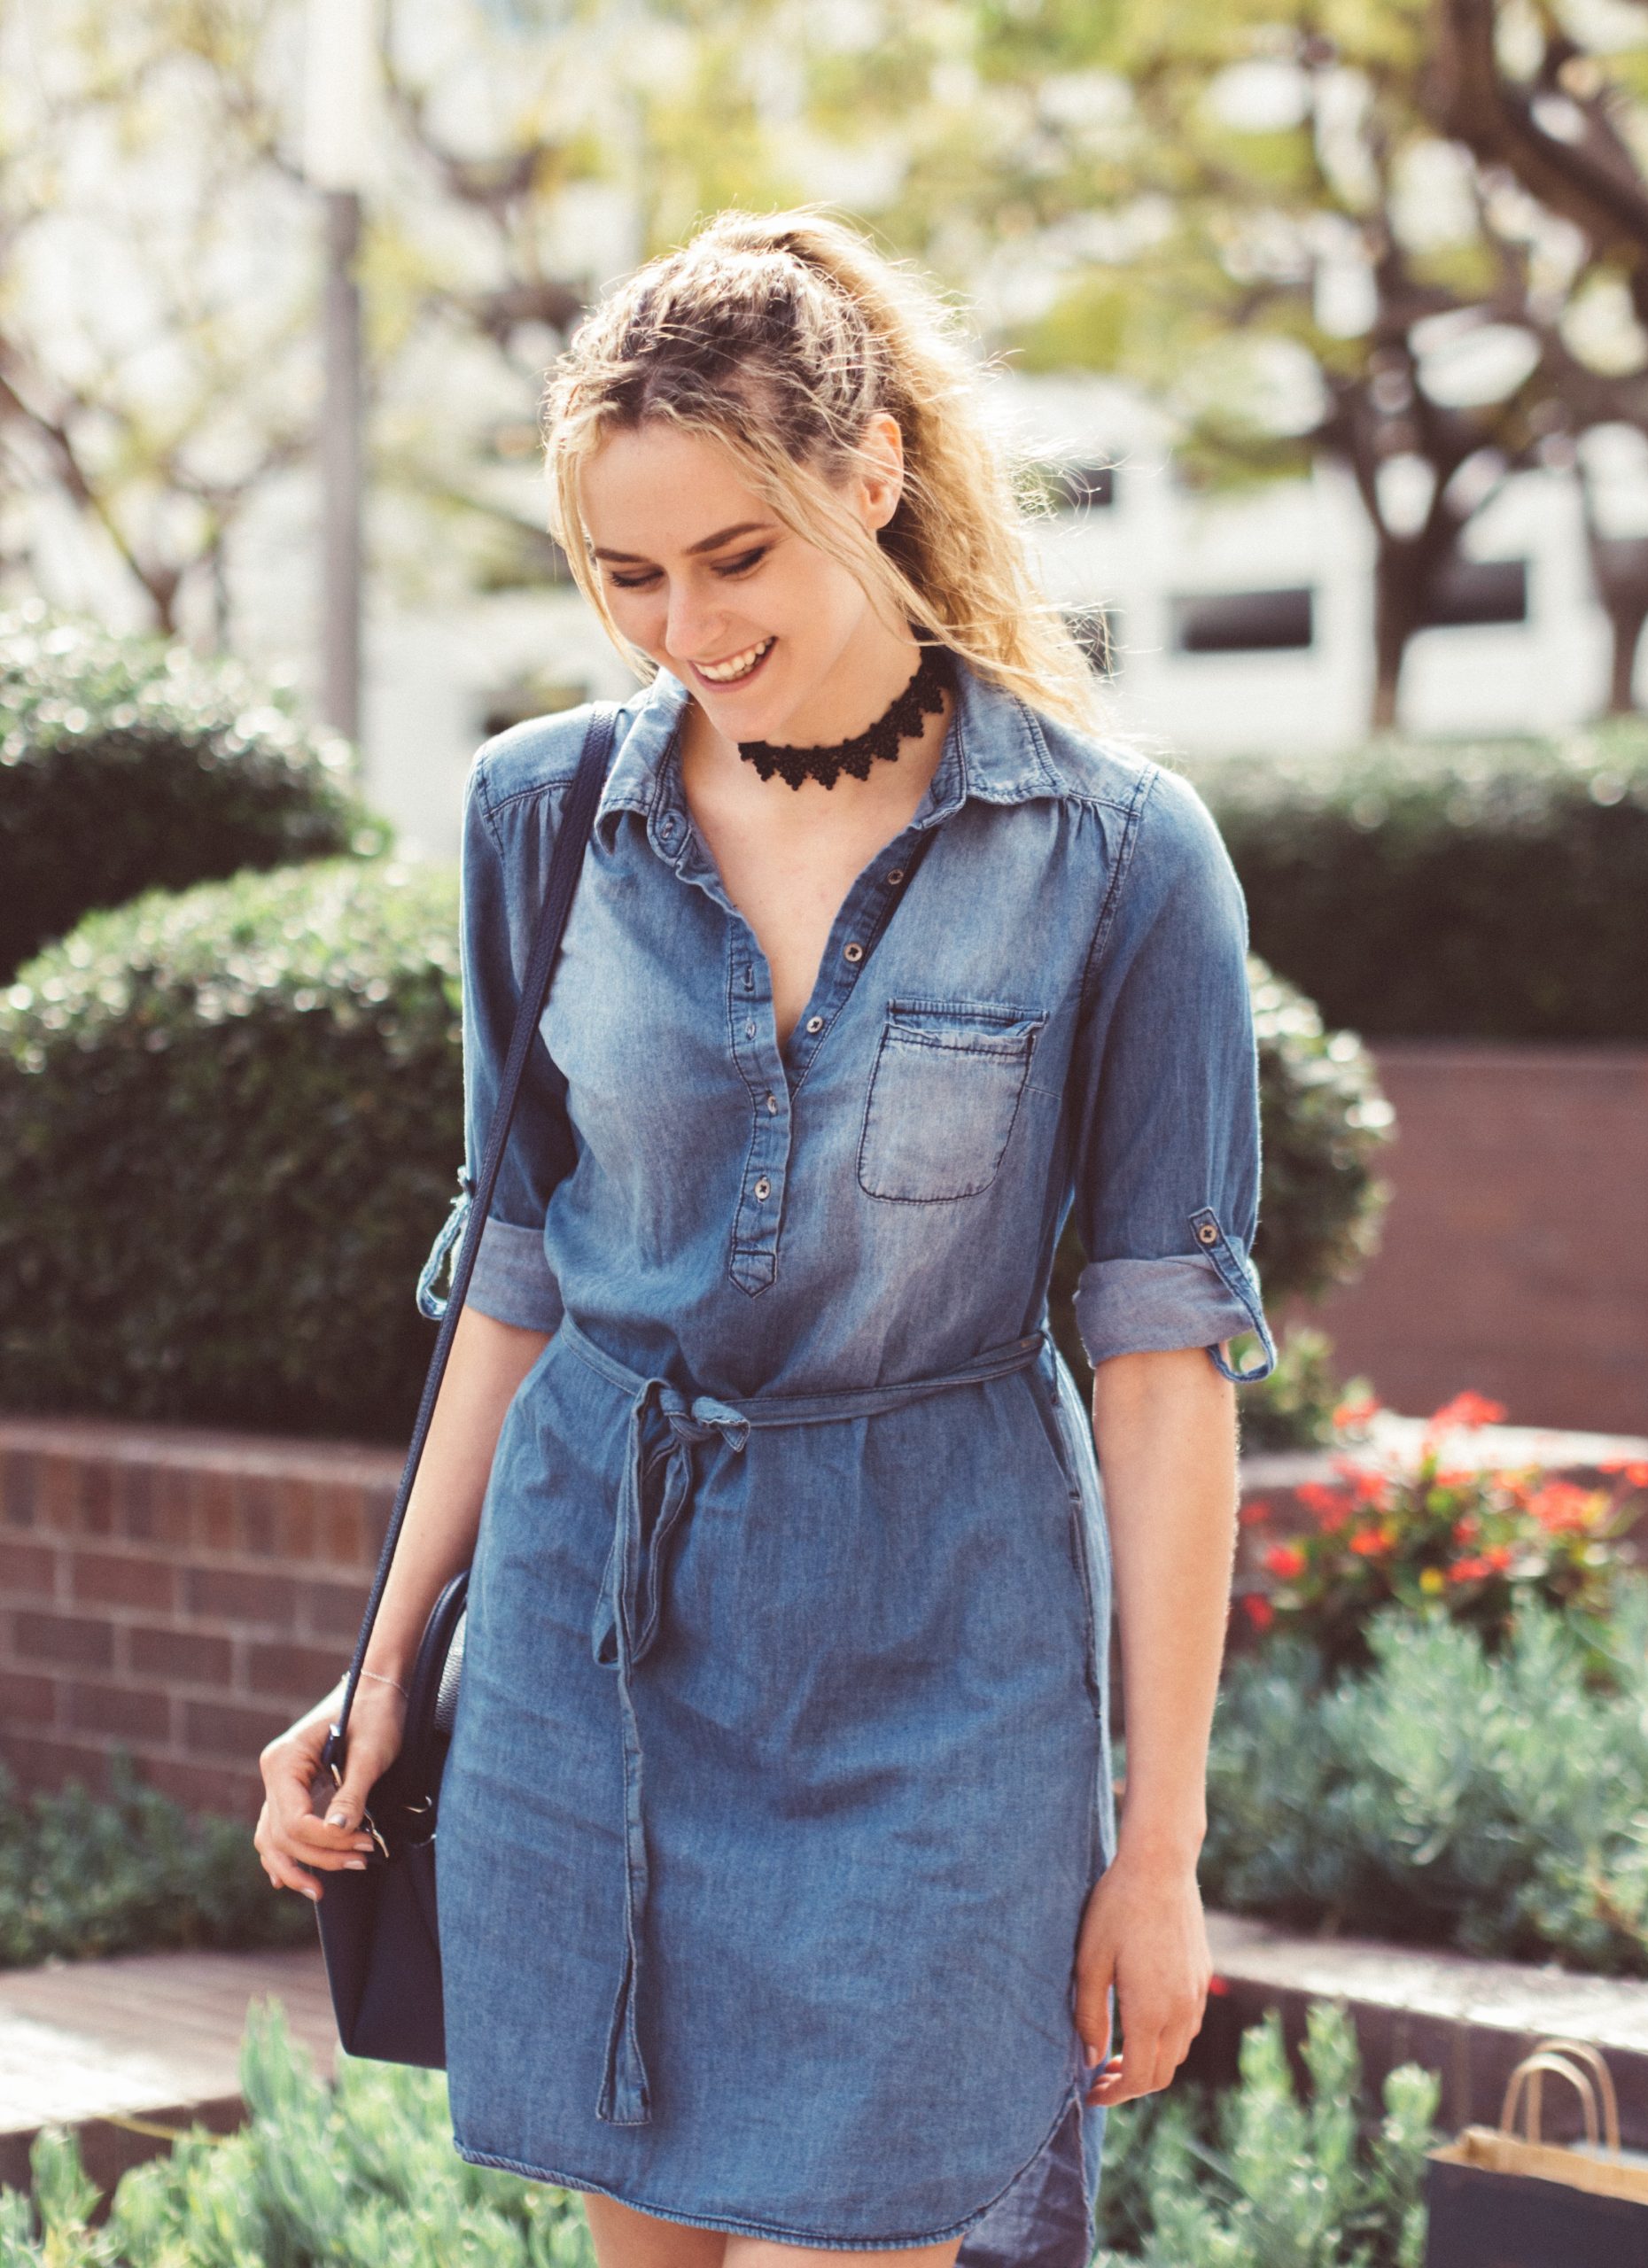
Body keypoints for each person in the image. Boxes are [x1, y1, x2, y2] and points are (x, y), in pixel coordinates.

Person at [253, 205, 1277, 2268]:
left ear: (874, 473)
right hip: (597, 1646)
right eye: (626, 574)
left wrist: (1157, 1842)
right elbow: (518, 1261)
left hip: (937, 1663)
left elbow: (1165, 1363)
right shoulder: (540, 816)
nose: (682, 627)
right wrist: (383, 1666)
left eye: (736, 556)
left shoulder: (1118, 854)